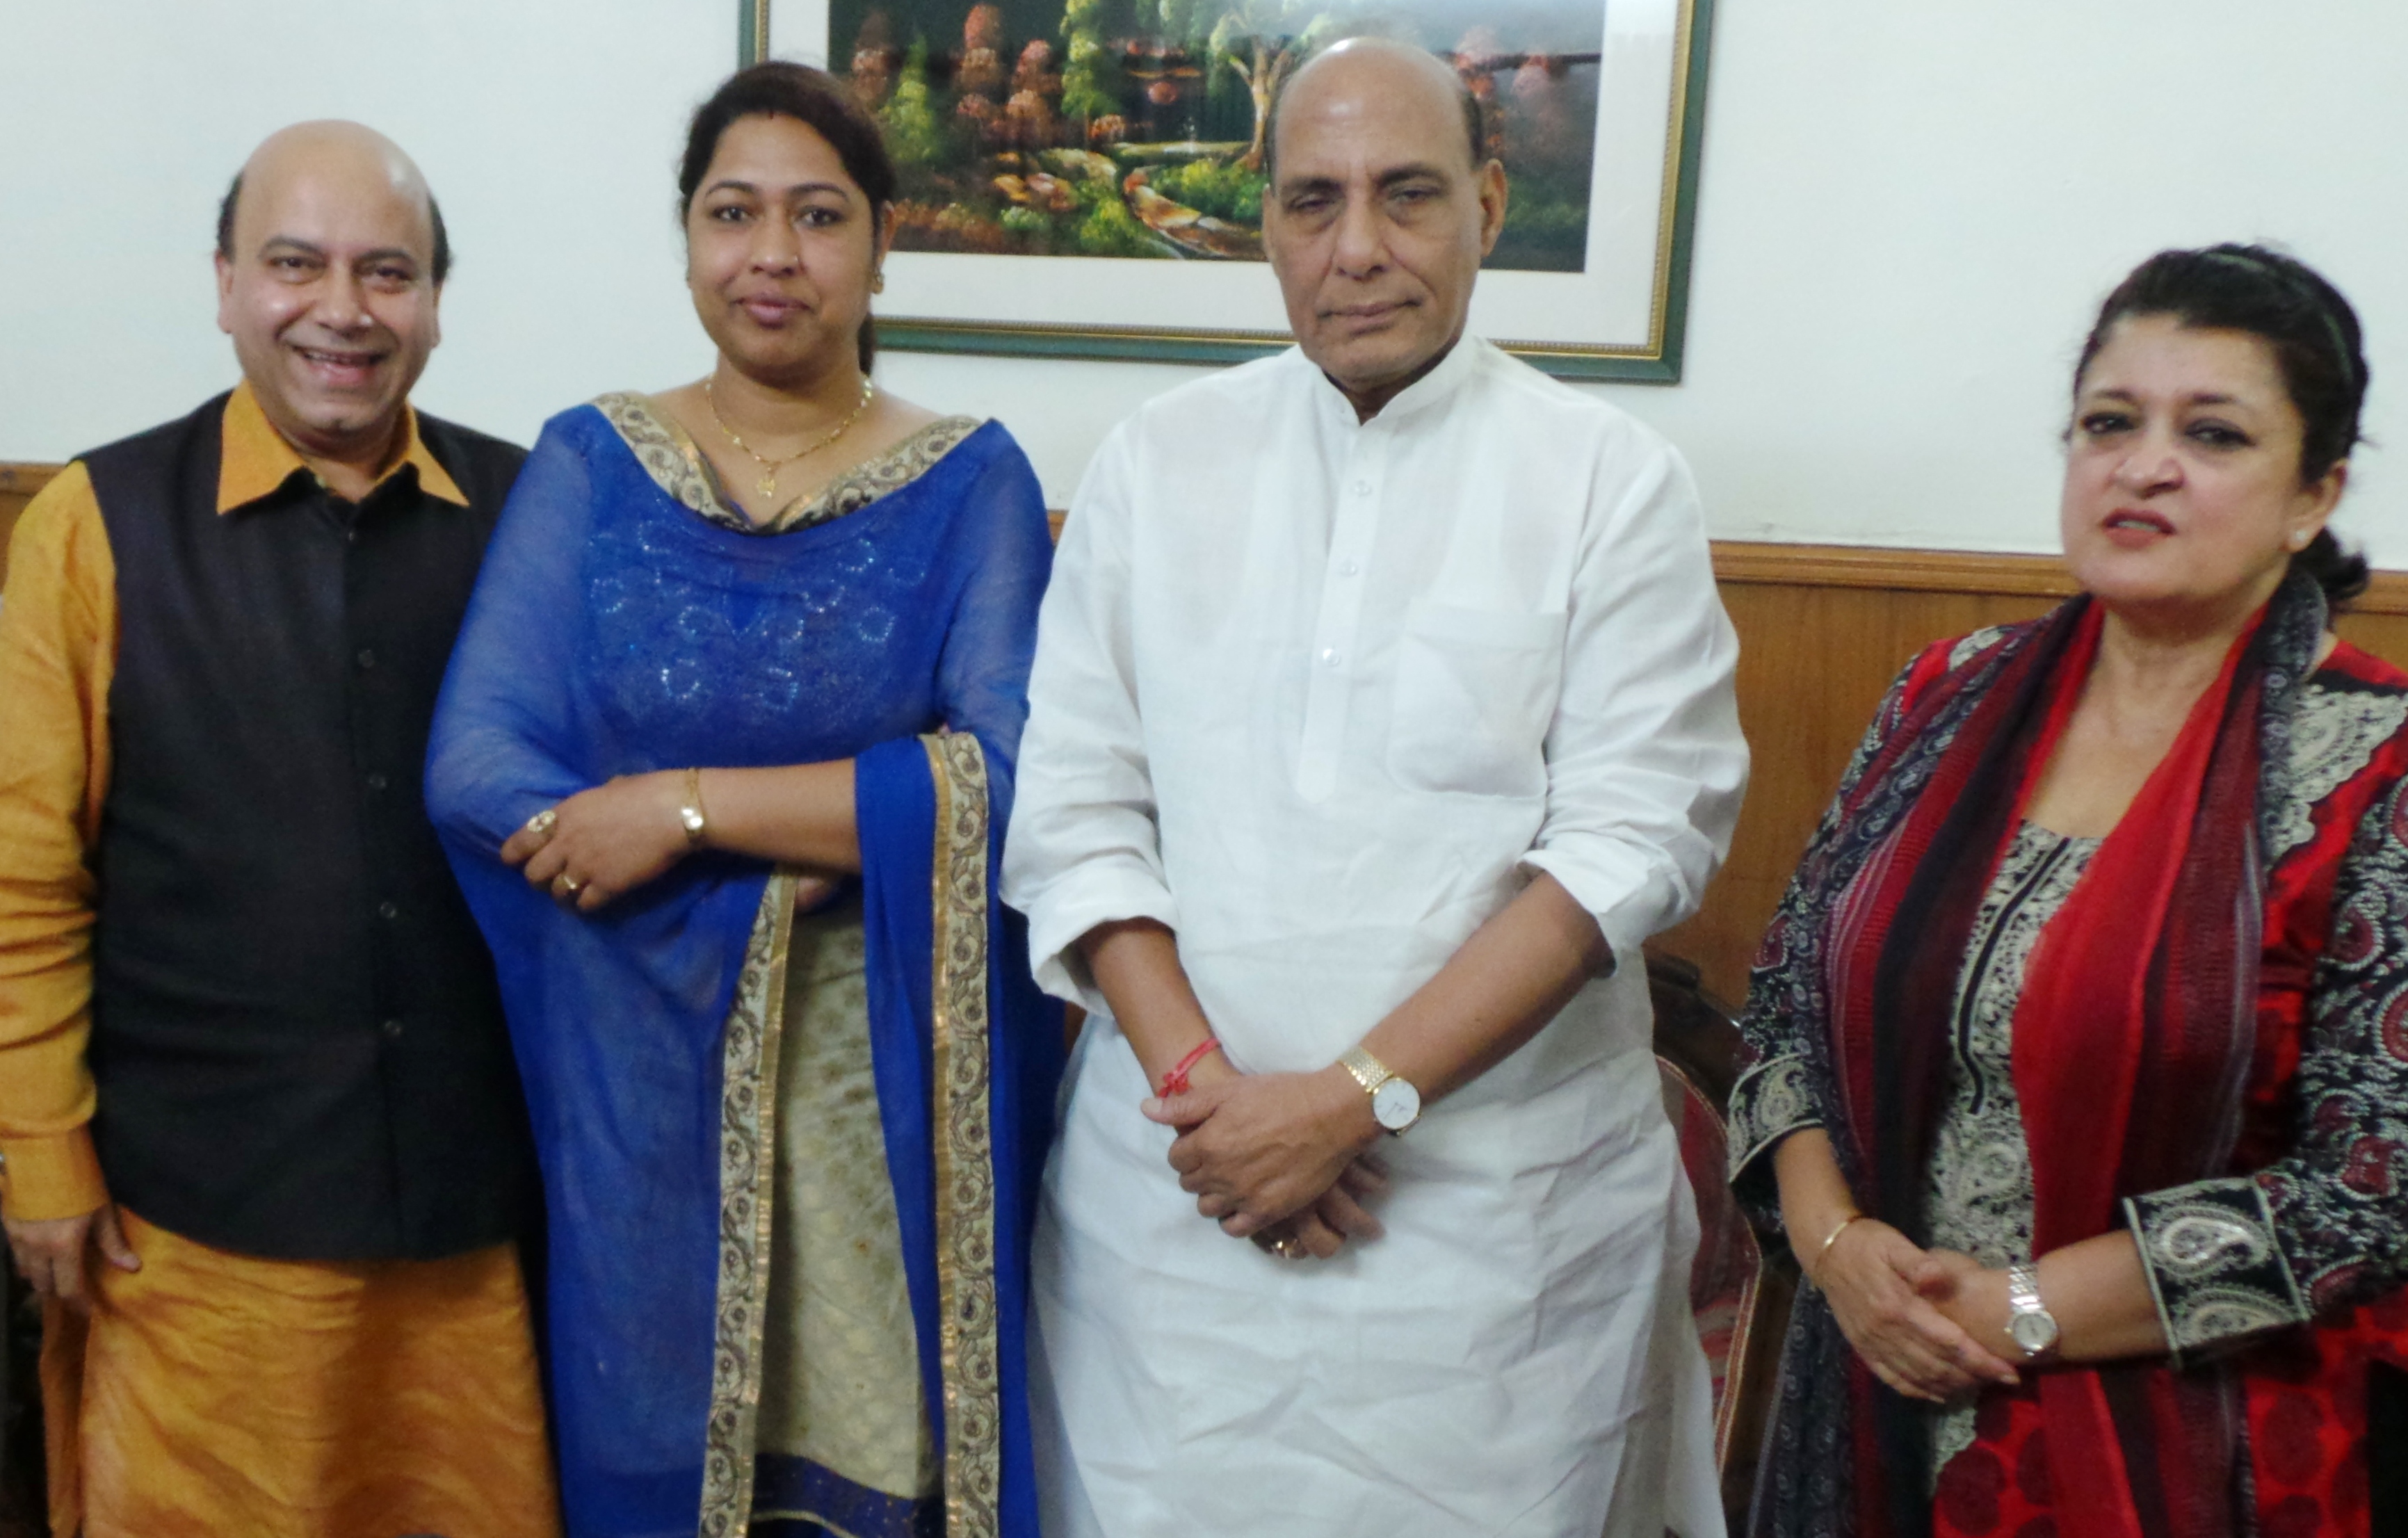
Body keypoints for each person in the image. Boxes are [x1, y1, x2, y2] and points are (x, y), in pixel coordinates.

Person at [1003, 36, 1747, 1538]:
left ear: (1485, 203)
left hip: (1492, 1250)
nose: (1357, 250)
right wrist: (1209, 1103)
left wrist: (1355, 1097)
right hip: (1178, 1219)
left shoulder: (1607, 477)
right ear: (1263, 220)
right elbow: (1079, 812)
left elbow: (1628, 843)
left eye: (1406, 196)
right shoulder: (1156, 462)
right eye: (1311, 202)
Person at [426, 63, 1061, 1538]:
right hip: (640, 1080)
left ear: (883, 243)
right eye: (733, 213)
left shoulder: (966, 481)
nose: (771, 253)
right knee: (655, 1449)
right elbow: (478, 758)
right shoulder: (594, 458)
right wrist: (768, 870)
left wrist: (685, 810)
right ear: (689, 238)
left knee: (869, 1457)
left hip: (875, 1096)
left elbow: (1005, 776)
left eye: (817, 215)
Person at [1729, 244, 2408, 1536]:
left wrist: (2019, 1311)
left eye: (2210, 433)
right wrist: (1838, 1253)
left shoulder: (2376, 766)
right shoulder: (1947, 695)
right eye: (2110, 422)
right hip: (1868, 1383)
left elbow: (2370, 1187)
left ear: (2313, 495)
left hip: (2189, 1443)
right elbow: (1783, 1014)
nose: (2143, 463)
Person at [0, 122, 554, 1535]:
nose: (343, 311)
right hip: (187, 1235)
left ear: (435, 299)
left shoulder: (535, 514)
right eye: (295, 265)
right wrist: (43, 1156)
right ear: (227, 284)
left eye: (388, 272)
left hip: (478, 1231)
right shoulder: (91, 522)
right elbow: (24, 879)